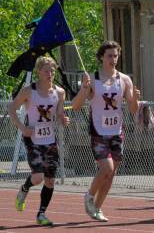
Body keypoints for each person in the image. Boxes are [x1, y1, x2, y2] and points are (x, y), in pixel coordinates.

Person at [72, 40, 140, 222]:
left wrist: (135, 99)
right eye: (109, 55)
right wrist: (84, 89)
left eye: (115, 55)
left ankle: (97, 208)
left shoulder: (124, 79)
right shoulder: (92, 79)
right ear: (101, 57)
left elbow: (133, 110)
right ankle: (89, 195)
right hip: (98, 132)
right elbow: (76, 106)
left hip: (117, 132)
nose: (113, 59)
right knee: (106, 168)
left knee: (111, 174)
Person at [9, 56, 69, 226]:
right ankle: (24, 188)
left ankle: (41, 214)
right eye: (46, 70)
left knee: (50, 180)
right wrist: (22, 127)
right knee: (38, 178)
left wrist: (63, 120)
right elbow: (12, 108)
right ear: (38, 72)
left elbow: (59, 115)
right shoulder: (29, 91)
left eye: (52, 70)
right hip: (33, 139)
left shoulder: (59, 92)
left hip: (50, 141)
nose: (50, 73)